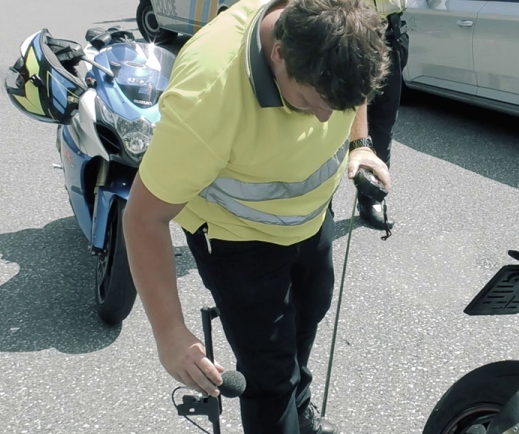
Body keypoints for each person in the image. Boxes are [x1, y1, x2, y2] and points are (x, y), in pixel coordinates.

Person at [121, 0, 392, 432]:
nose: (324, 118)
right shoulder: (209, 94)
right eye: (309, 101)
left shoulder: (342, 25)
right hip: (237, 239)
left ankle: (298, 407)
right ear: (279, 54)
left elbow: (347, 94)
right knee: (268, 373)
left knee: (308, 315)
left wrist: (362, 143)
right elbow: (143, 218)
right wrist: (170, 333)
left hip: (310, 219)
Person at [353, 0, 409, 230]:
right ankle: (320, 204)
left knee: (382, 122)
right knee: (333, 118)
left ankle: (372, 198)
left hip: (391, 31)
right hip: (348, 28)